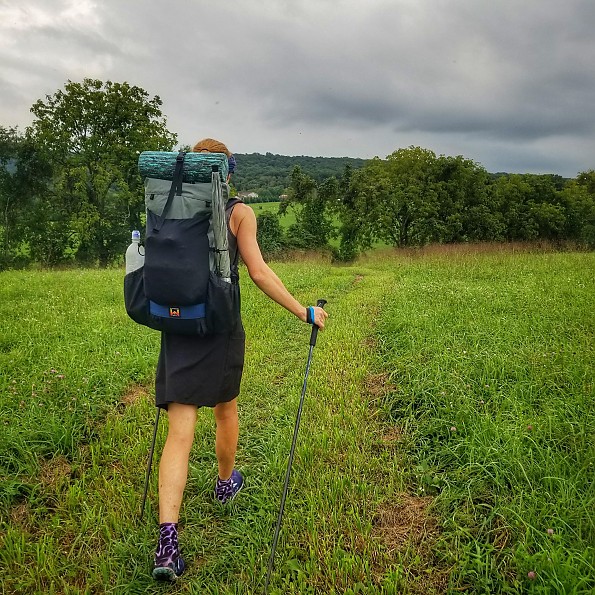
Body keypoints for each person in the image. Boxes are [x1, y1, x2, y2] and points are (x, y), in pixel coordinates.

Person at [152, 139, 328, 581]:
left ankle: (167, 543)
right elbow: (259, 272)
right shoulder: (238, 212)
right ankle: (226, 483)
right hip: (220, 325)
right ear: (226, 172)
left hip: (176, 322)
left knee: (180, 430)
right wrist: (304, 311)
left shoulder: (166, 202)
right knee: (225, 407)